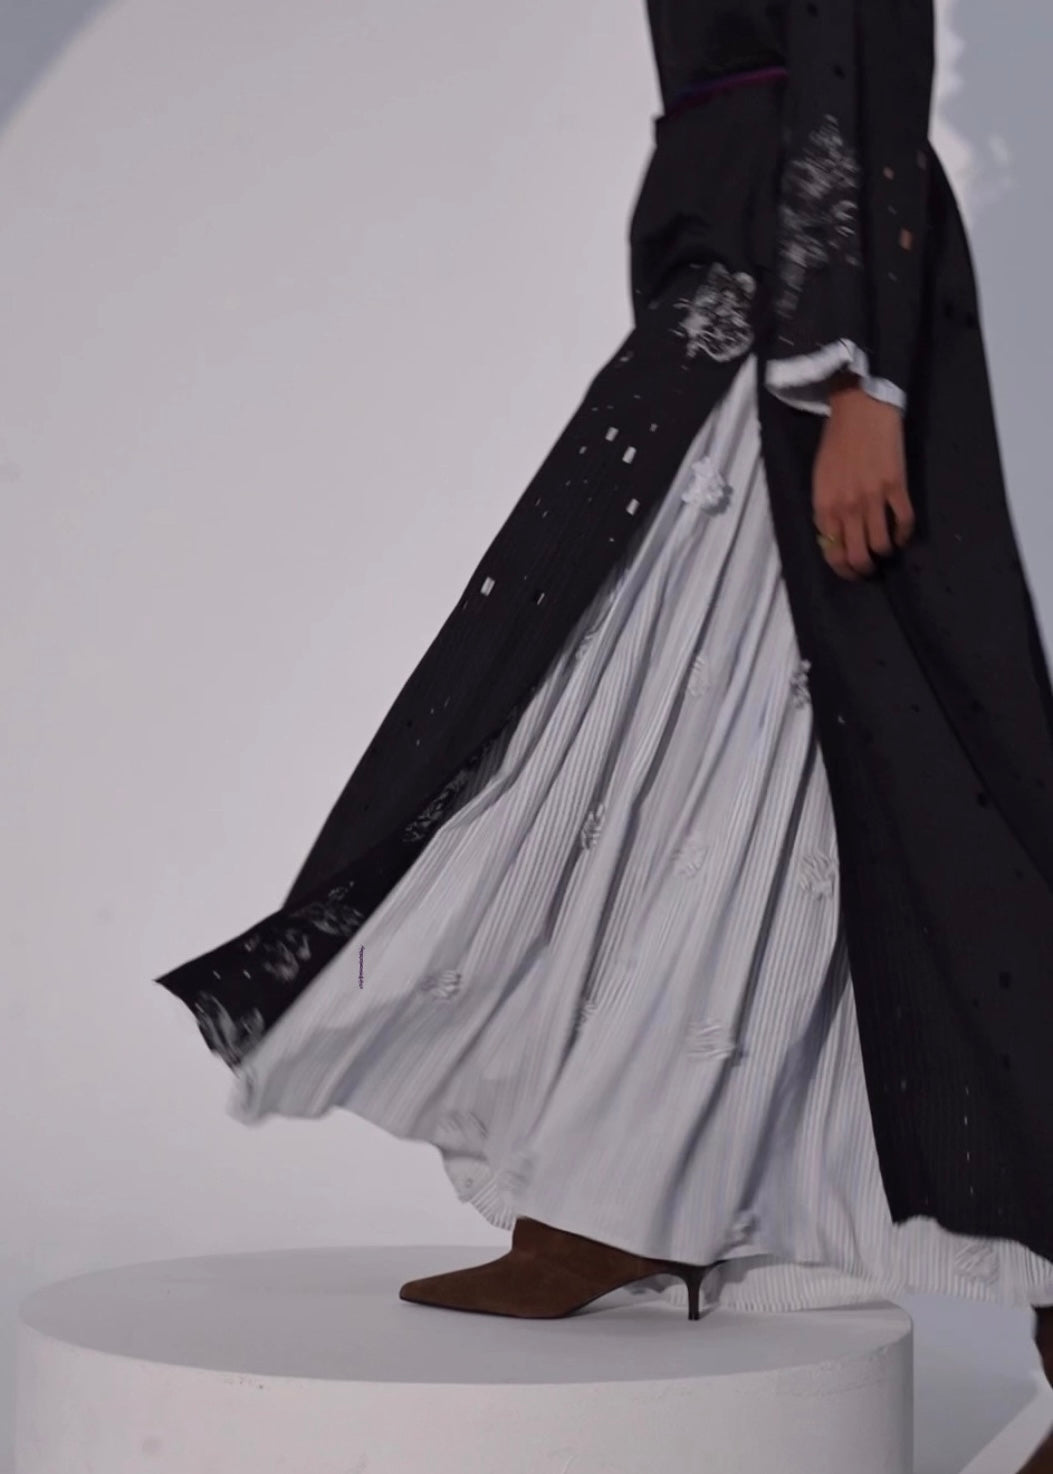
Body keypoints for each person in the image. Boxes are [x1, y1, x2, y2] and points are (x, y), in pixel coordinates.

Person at [155, 3, 1053, 1463]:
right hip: (729, 270)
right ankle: (622, 1190)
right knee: (686, 723)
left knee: (924, 775)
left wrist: (854, 373)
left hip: (816, 297)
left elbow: (856, 42)